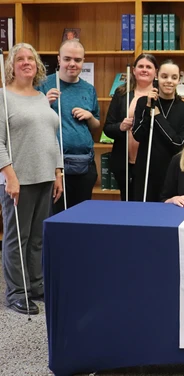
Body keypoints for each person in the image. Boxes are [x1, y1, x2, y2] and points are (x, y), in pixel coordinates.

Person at [0, 43, 63, 314]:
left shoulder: (39, 96)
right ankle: (16, 292)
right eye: (20, 59)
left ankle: (35, 285)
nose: (27, 63)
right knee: (17, 237)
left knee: (37, 237)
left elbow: (51, 137)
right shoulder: (3, 97)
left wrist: (58, 171)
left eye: (31, 59)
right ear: (11, 67)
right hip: (19, 181)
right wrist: (10, 177)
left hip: (44, 177)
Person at [38, 39, 100, 213]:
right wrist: (44, 104)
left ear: (83, 61)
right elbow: (32, 123)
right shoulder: (43, 85)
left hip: (84, 165)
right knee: (56, 217)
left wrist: (89, 117)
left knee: (80, 218)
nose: (72, 64)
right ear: (59, 59)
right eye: (67, 59)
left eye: (78, 60)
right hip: (54, 166)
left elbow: (96, 125)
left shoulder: (89, 89)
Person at [132, 59, 184, 202]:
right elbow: (138, 135)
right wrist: (148, 107)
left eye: (174, 77)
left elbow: (178, 143)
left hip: (172, 170)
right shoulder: (143, 102)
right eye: (164, 76)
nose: (169, 81)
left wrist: (158, 116)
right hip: (146, 169)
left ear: (179, 80)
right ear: (157, 77)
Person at [104, 53, 158, 201]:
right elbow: (107, 128)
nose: (144, 70)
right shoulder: (122, 93)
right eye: (141, 66)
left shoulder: (160, 95)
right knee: (127, 202)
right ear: (133, 70)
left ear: (156, 72)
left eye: (149, 67)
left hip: (151, 163)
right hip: (124, 162)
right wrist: (120, 127)